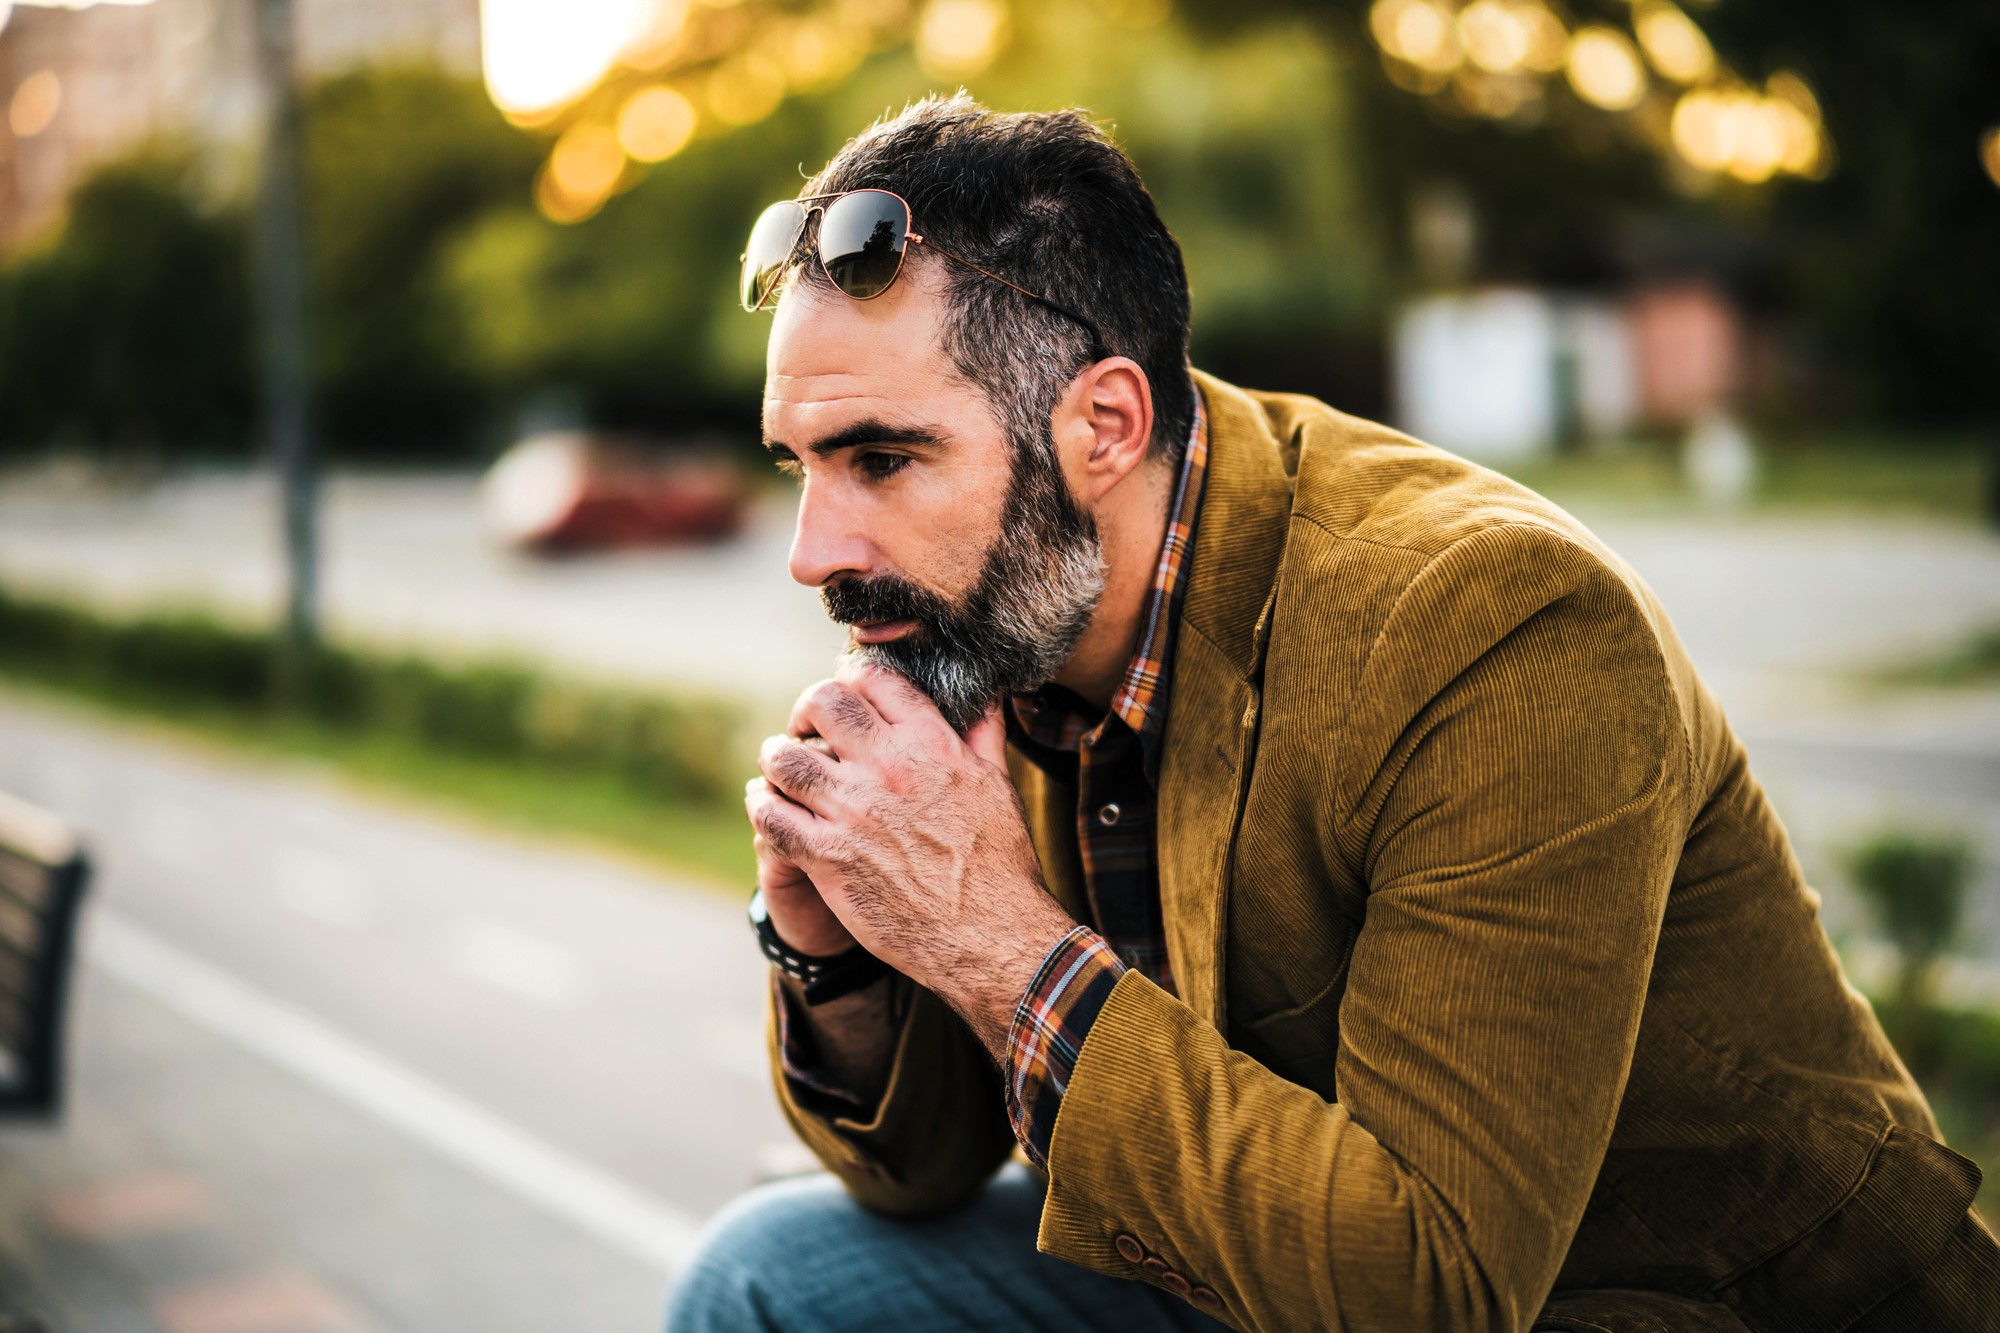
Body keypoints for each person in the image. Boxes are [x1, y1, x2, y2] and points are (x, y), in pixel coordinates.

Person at [665, 96, 1998, 1332]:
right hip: (1258, 1253)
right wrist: (832, 949)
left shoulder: (1489, 620)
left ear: (1105, 427)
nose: (812, 549)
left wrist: (995, 941)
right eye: (803, 466)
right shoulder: (1003, 622)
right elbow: (921, 1172)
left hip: (1663, 1295)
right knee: (768, 1280)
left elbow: (1436, 1292)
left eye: (881, 459)